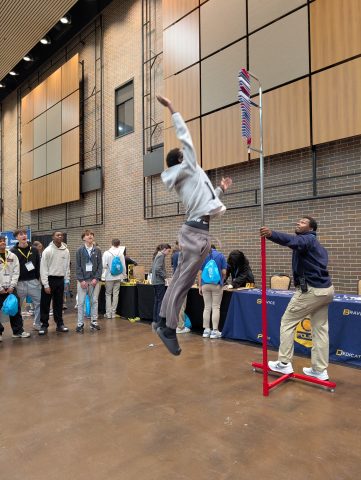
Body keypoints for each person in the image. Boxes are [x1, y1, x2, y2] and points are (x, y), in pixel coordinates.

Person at [155, 94, 232, 355]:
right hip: (197, 234)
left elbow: (205, 202)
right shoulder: (188, 166)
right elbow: (185, 135)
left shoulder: (187, 178)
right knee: (184, 282)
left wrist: (219, 190)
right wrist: (172, 107)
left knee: (178, 279)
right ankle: (168, 327)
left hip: (192, 228)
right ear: (182, 159)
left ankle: (160, 319)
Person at [260, 216, 334, 381]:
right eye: (298, 221)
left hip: (311, 292)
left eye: (302, 222)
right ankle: (319, 370)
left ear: (311, 228)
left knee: (287, 322)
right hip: (326, 291)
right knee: (320, 330)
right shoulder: (317, 246)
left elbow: (294, 242)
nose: (298, 223)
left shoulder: (307, 240)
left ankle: (284, 362)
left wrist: (271, 234)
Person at [39, 231, 70, 335]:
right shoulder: (47, 251)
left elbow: (66, 267)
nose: (60, 236)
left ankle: (59, 324)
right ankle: (44, 325)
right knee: (45, 304)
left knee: (58, 304)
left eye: (61, 235)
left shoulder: (66, 251)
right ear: (53, 237)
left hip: (60, 280)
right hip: (49, 279)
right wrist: (46, 284)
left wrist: (66, 281)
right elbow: (43, 268)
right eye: (57, 235)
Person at [0, 235, 30, 340]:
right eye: (0, 241)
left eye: (4, 241)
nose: (2, 243)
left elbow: (16, 272)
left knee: (15, 310)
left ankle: (18, 331)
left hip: (11, 289)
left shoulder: (12, 256)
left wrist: (12, 286)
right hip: (0, 289)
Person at [11, 228, 42, 331]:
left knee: (39, 304)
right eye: (21, 234)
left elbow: (38, 265)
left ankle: (37, 324)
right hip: (19, 283)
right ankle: (19, 328)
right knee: (16, 307)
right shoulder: (12, 252)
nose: (24, 236)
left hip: (33, 281)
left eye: (24, 234)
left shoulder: (33, 250)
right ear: (16, 237)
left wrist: (37, 279)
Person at [75, 229, 102, 333]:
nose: (90, 236)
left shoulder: (98, 250)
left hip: (94, 280)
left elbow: (100, 265)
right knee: (81, 302)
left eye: (91, 234)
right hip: (83, 281)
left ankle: (94, 322)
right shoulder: (79, 250)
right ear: (83, 238)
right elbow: (77, 267)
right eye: (87, 235)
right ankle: (80, 324)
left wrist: (96, 278)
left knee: (94, 301)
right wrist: (81, 280)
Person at [198, 244, 227, 339]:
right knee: (216, 307)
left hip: (205, 284)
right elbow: (224, 272)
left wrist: (200, 286)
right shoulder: (221, 256)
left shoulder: (202, 257)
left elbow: (200, 273)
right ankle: (215, 331)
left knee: (207, 307)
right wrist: (222, 281)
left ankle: (206, 330)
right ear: (215, 248)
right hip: (216, 284)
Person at [102, 239, 126, 318]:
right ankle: (113, 313)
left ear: (111, 243)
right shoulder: (121, 254)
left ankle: (108, 314)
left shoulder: (106, 253)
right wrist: (124, 275)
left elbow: (104, 266)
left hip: (109, 276)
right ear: (119, 244)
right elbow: (123, 266)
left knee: (108, 294)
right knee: (116, 294)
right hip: (118, 276)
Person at [151, 243, 171, 331]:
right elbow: (157, 269)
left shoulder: (158, 255)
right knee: (160, 301)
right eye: (168, 251)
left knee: (157, 300)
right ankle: (159, 321)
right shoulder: (161, 256)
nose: (168, 253)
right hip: (159, 282)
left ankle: (155, 320)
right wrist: (165, 277)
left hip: (155, 282)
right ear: (164, 249)